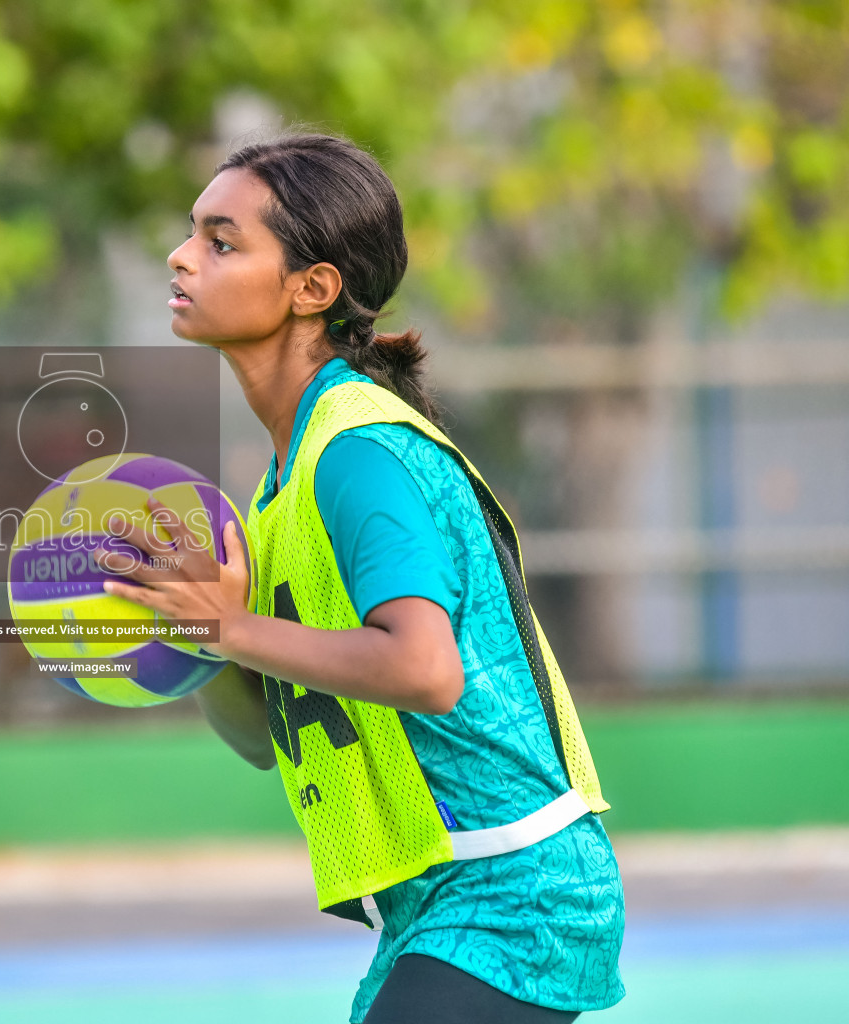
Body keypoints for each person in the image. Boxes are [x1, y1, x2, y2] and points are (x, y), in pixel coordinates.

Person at [101, 134, 625, 1023]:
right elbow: (261, 739)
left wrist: (232, 629)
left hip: (513, 893)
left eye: (221, 242)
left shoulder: (356, 455)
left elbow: (424, 671)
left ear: (313, 288)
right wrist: (194, 636)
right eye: (191, 233)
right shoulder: (281, 483)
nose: (181, 256)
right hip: (437, 905)